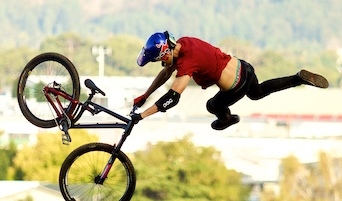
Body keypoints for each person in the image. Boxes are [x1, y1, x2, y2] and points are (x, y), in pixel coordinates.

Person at [130, 32, 328, 129]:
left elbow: (172, 97)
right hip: (244, 67)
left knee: (212, 105)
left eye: (159, 60)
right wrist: (145, 95)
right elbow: (166, 72)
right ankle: (297, 78)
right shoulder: (184, 42)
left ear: (165, 53)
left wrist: (142, 115)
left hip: (236, 85)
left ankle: (228, 119)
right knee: (257, 92)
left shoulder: (187, 63)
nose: (161, 64)